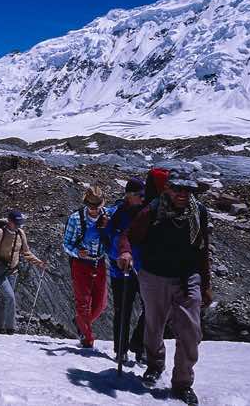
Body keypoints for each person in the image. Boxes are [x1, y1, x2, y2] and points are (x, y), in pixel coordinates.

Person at [118, 169, 212, 406]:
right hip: (154, 276)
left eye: (188, 189)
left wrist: (206, 285)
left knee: (191, 332)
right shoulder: (153, 209)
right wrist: (126, 251)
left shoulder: (198, 213)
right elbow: (128, 235)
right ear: (168, 188)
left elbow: (202, 250)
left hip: (187, 277)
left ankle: (182, 383)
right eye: (178, 188)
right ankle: (154, 365)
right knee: (154, 326)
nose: (183, 194)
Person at [62, 186, 112, 348]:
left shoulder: (108, 216)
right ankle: (88, 338)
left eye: (97, 206)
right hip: (81, 263)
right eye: (91, 206)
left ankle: (81, 322)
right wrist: (77, 252)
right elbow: (66, 244)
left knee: (101, 303)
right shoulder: (75, 219)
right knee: (83, 302)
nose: (94, 210)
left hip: (99, 262)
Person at [0, 210, 45, 335]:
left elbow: (26, 252)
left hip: (13, 272)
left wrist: (39, 263)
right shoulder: (0, 232)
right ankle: (10, 328)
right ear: (9, 221)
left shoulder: (20, 234)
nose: (18, 225)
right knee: (10, 297)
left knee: (4, 299)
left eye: (19, 223)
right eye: (16, 223)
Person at [107, 177, 147, 363]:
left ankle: (139, 345)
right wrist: (118, 257)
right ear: (129, 195)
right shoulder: (117, 214)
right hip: (121, 269)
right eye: (140, 195)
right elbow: (109, 240)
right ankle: (120, 349)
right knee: (123, 310)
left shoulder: (146, 212)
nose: (143, 198)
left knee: (151, 309)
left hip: (144, 269)